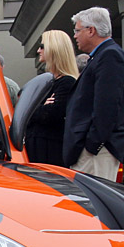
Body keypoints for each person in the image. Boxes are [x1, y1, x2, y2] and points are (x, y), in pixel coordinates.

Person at [62, 7, 124, 180]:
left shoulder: (109, 56)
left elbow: (107, 106)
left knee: (91, 204)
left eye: (77, 30)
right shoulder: (103, 55)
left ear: (91, 30)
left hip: (97, 153)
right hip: (94, 150)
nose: (75, 36)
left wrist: (93, 145)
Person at [25, 30, 79, 166]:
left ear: (54, 49)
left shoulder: (67, 82)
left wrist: (33, 109)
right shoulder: (48, 82)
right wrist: (40, 108)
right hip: (38, 149)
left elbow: (51, 115)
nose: (38, 50)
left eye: (42, 46)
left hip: (50, 151)